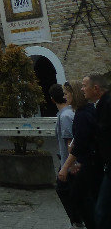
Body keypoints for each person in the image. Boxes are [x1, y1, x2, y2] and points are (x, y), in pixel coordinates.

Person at [60, 80, 98, 229]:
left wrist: (66, 166)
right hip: (89, 161)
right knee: (85, 196)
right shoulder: (87, 110)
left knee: (79, 196)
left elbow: (81, 143)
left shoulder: (82, 115)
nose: (65, 97)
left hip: (88, 163)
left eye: (66, 94)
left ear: (73, 94)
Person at [51, 83, 82, 228]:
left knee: (65, 191)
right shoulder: (68, 113)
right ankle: (76, 220)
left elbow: (71, 143)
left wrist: (68, 165)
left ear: (52, 99)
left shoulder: (65, 116)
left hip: (68, 164)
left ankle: (77, 221)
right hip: (68, 163)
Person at [83, 73, 110, 229]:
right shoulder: (100, 105)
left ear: (96, 88)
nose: (82, 89)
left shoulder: (107, 105)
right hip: (104, 166)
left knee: (101, 212)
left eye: (85, 85)